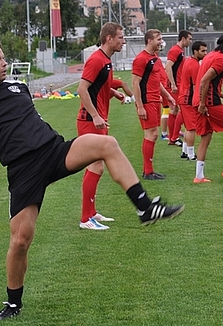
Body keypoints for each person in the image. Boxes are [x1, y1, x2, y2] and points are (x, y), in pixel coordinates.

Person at [0, 42, 184, 321]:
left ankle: (144, 207)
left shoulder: (18, 87)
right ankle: (13, 303)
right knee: (20, 241)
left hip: (54, 151)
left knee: (107, 144)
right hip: (23, 170)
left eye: (3, 57)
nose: (4, 63)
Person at [76, 22, 133, 230]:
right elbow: (82, 89)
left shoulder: (106, 61)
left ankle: (91, 213)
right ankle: (85, 219)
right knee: (97, 166)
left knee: (97, 166)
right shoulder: (96, 59)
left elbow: (100, 86)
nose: (123, 41)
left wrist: (114, 92)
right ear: (109, 38)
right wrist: (95, 115)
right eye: (120, 37)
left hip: (98, 120)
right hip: (90, 120)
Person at [192, 34, 223, 183]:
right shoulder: (221, 59)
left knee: (206, 136)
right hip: (208, 102)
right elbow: (205, 80)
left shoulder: (211, 55)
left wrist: (222, 95)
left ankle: (199, 176)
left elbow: (210, 82)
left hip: (200, 100)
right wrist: (203, 104)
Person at [132, 29, 176, 180]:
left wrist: (167, 96)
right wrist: (140, 106)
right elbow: (135, 83)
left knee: (152, 134)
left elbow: (157, 82)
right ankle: (148, 171)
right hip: (146, 101)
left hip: (155, 99)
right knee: (153, 134)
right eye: (158, 38)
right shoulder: (141, 59)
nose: (161, 41)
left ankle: (148, 170)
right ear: (149, 40)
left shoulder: (155, 58)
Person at [177, 40, 208, 161]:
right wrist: (201, 102)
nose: (205, 53)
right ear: (195, 51)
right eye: (203, 51)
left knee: (188, 127)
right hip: (188, 99)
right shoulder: (194, 65)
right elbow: (196, 86)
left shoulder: (188, 61)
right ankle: (191, 154)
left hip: (183, 97)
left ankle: (185, 151)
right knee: (191, 128)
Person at [166, 31, 192, 148]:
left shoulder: (180, 51)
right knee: (184, 109)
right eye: (189, 39)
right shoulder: (175, 50)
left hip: (178, 85)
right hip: (175, 86)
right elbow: (168, 66)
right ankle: (174, 137)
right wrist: (173, 84)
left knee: (174, 110)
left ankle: (173, 137)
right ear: (183, 38)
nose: (190, 41)